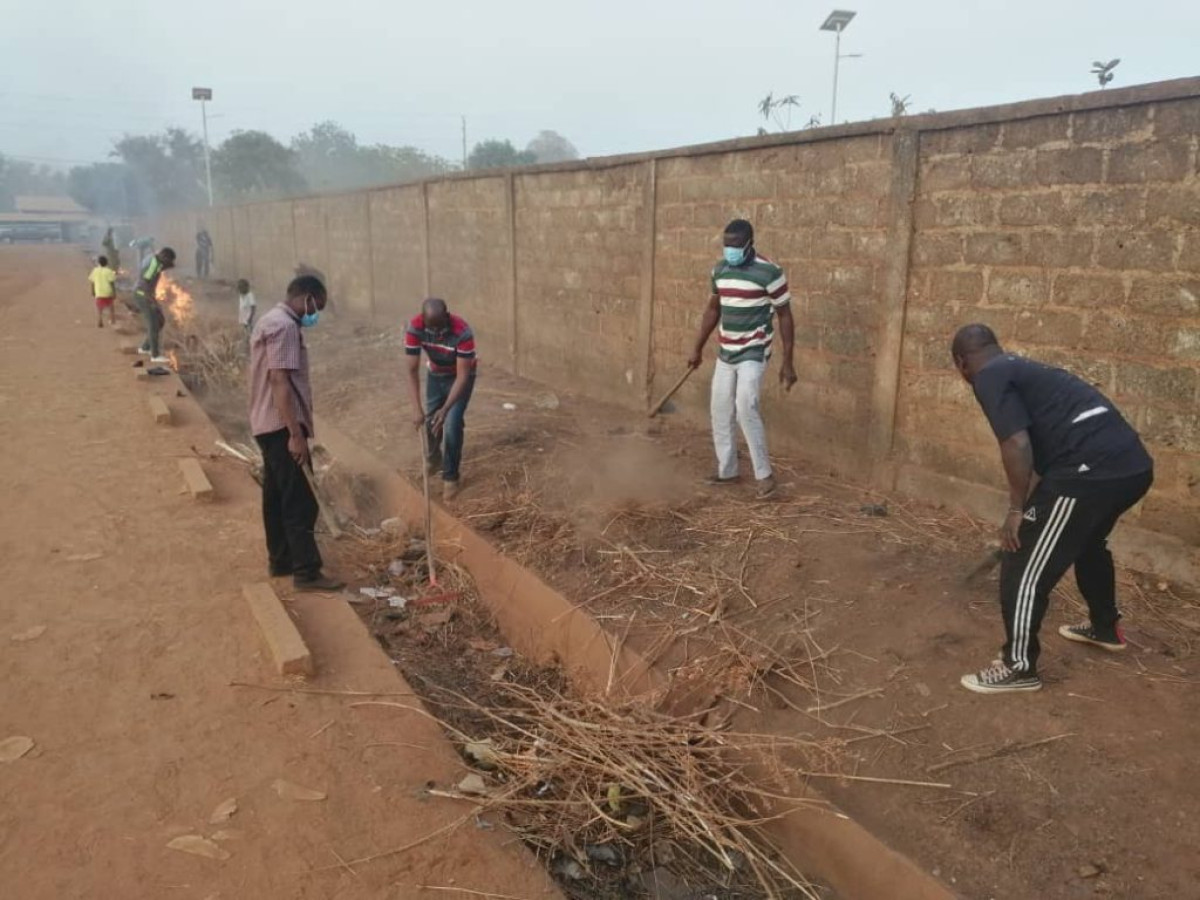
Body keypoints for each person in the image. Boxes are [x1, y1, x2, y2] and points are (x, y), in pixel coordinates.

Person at [951, 324, 1154, 695]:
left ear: (961, 363)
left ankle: (1018, 666)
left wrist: (1016, 513)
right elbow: (1043, 457)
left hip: (1090, 474)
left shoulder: (988, 376)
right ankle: (1105, 628)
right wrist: (1030, 506)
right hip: (1132, 468)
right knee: (1089, 543)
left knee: (1023, 561)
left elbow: (1015, 442)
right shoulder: (1023, 369)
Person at [687, 218, 797, 499]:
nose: (730, 250)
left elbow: (784, 315)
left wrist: (787, 362)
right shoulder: (720, 270)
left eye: (736, 245)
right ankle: (728, 471)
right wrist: (697, 348)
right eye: (726, 245)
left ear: (749, 244)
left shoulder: (769, 272)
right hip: (726, 351)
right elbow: (713, 310)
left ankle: (765, 477)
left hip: (754, 350)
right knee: (720, 408)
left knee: (745, 404)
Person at [248, 275, 344, 592]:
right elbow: (280, 382)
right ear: (306, 297)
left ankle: (281, 561)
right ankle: (306, 571)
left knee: (275, 496)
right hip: (281, 426)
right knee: (301, 500)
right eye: (317, 306)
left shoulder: (269, 320)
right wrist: (295, 434)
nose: (315, 313)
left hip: (265, 423)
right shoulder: (286, 327)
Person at [404, 298, 477, 501]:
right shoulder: (415, 327)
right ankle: (434, 458)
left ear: (448, 316)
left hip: (461, 377)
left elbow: (462, 376)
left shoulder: (462, 332)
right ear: (423, 320)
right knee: (430, 420)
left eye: (440, 328)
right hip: (435, 374)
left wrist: (445, 410)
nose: (437, 334)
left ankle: (450, 476)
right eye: (431, 329)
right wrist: (416, 408)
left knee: (452, 424)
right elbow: (411, 370)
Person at [134, 248, 174, 364]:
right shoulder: (154, 264)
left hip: (146, 295)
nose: (165, 266)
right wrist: (151, 301)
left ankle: (145, 347)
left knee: (160, 321)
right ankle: (155, 355)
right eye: (167, 262)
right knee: (153, 323)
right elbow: (146, 282)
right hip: (143, 295)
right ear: (164, 256)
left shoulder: (153, 259)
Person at [88, 255, 118, 328]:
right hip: (108, 292)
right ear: (107, 263)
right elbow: (112, 283)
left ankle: (100, 320)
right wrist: (114, 292)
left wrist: (92, 291)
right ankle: (112, 320)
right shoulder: (109, 271)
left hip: (99, 292)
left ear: (98, 263)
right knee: (111, 307)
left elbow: (92, 282)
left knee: (99, 308)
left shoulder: (95, 270)